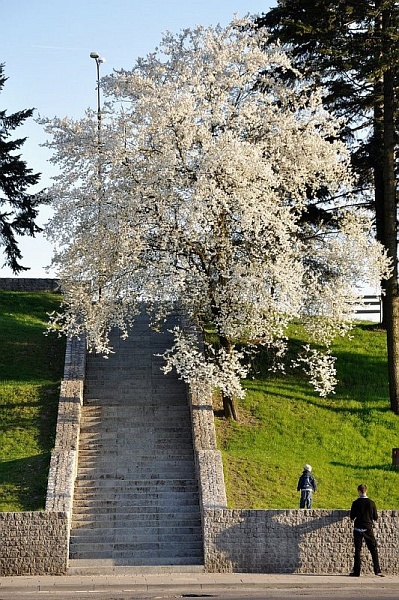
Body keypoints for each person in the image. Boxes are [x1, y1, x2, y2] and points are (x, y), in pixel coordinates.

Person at [349, 483, 384, 577]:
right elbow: (375, 517)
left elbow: (352, 516)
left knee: (357, 550)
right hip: (368, 528)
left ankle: (357, 572)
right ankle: (377, 570)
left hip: (357, 528)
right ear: (366, 490)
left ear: (359, 491)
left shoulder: (355, 503)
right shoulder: (371, 503)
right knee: (373, 549)